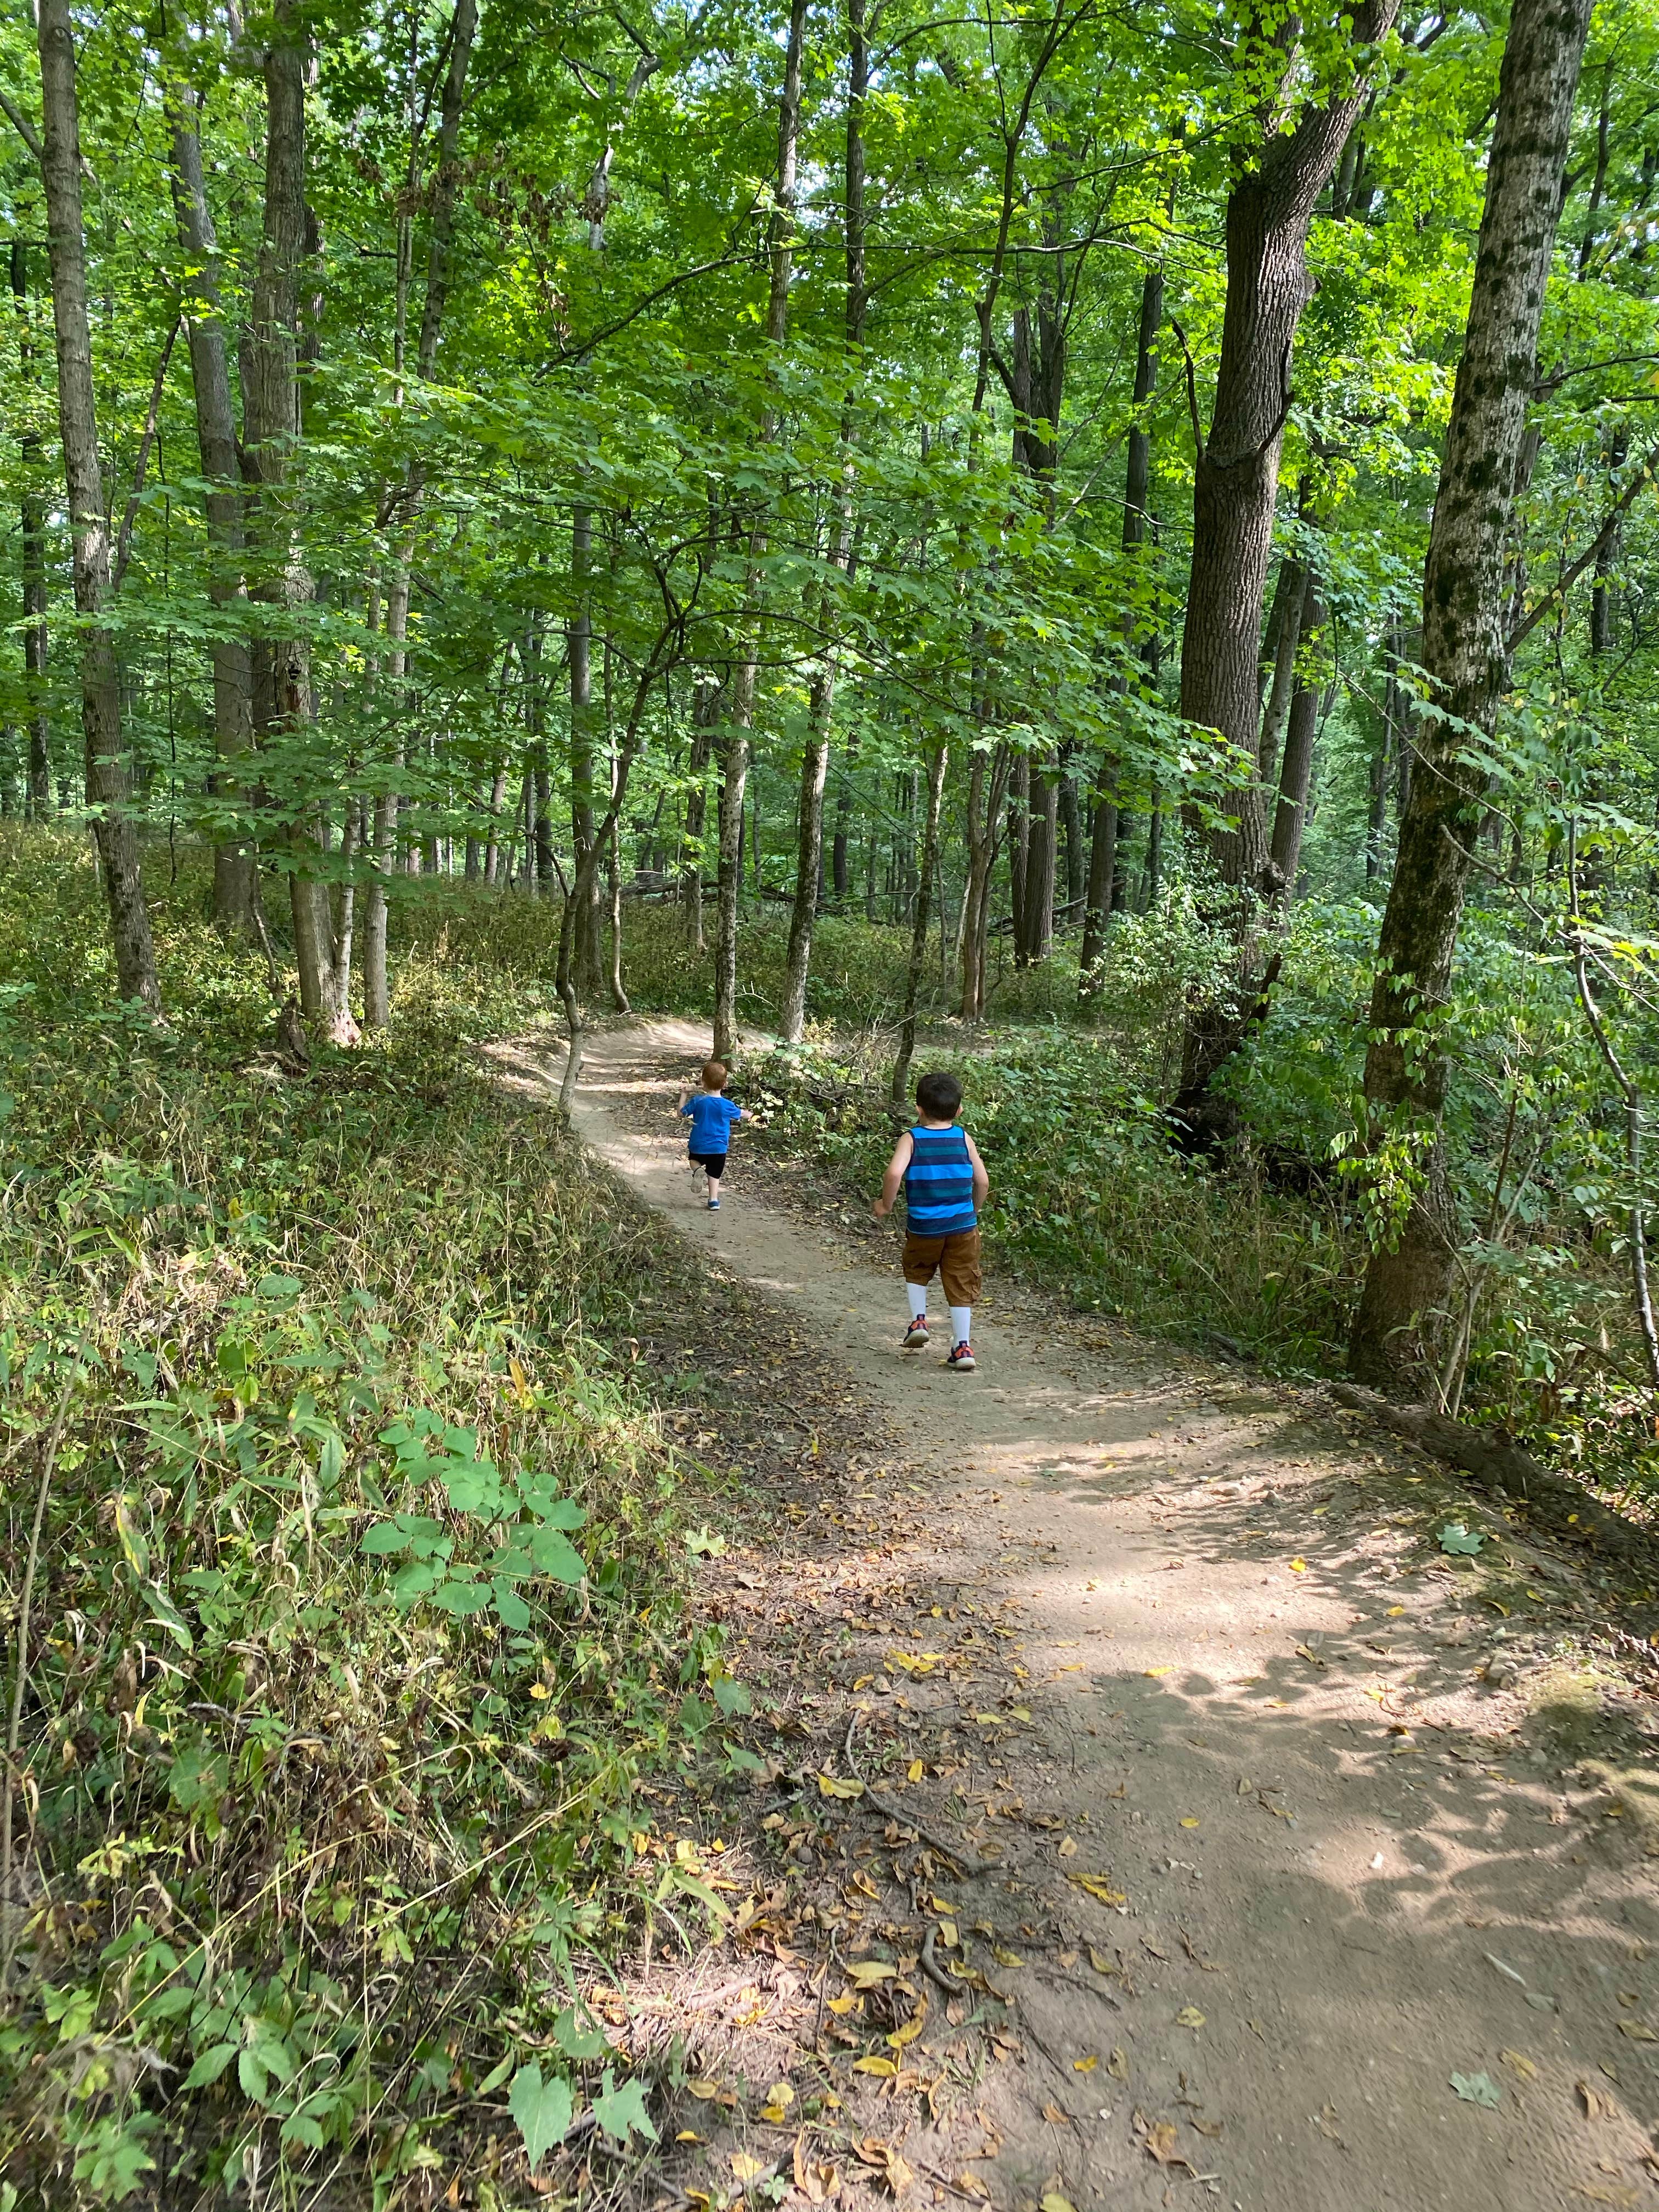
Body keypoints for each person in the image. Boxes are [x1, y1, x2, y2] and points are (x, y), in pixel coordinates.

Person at [873, 1069, 989, 1371]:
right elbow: (983, 1181)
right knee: (962, 1280)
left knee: (917, 1268)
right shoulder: (964, 1137)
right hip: (963, 1227)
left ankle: (918, 1322)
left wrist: (886, 1205)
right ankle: (963, 1347)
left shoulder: (912, 1139)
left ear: (919, 1109)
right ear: (959, 1110)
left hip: (924, 1226)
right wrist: (972, 1212)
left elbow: (895, 1173)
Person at [677, 1058, 744, 1211]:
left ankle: (697, 1170)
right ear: (725, 1084)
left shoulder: (698, 1101)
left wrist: (684, 1094)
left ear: (703, 1083)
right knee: (714, 1174)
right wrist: (752, 1114)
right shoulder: (727, 1105)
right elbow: (741, 1114)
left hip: (698, 1144)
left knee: (694, 1160)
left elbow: (681, 1114)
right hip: (719, 1147)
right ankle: (714, 1200)